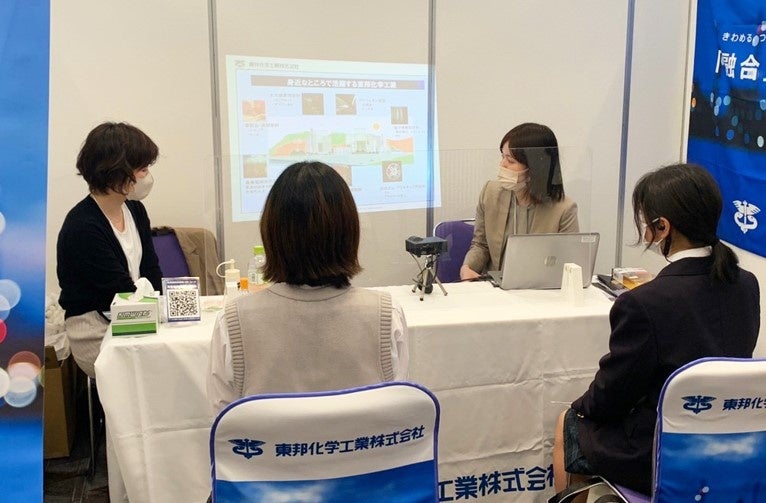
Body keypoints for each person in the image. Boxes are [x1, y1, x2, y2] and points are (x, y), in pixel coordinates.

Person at [552, 163, 760, 495]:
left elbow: (611, 397)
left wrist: (580, 406)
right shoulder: (747, 283)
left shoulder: (644, 303)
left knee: (568, 422)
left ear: (662, 226)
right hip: (733, 446)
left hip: (658, 453)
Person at [207, 161, 409, 412]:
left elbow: (223, 420)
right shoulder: (386, 314)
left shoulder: (233, 320)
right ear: (349, 232)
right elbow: (396, 412)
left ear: (272, 233)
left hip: (272, 439)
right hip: (362, 439)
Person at [57, 122, 162, 377]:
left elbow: (151, 269)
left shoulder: (135, 209)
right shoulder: (82, 226)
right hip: (95, 327)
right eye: (142, 168)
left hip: (133, 313)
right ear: (116, 172)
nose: (147, 176)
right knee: (162, 369)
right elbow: (117, 289)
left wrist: (161, 305)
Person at [460, 123, 579, 279]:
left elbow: (568, 265)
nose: (502, 164)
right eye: (502, 157)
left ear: (535, 167)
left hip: (538, 288)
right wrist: (468, 267)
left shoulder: (564, 209)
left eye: (510, 160)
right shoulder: (490, 193)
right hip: (494, 287)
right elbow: (481, 245)